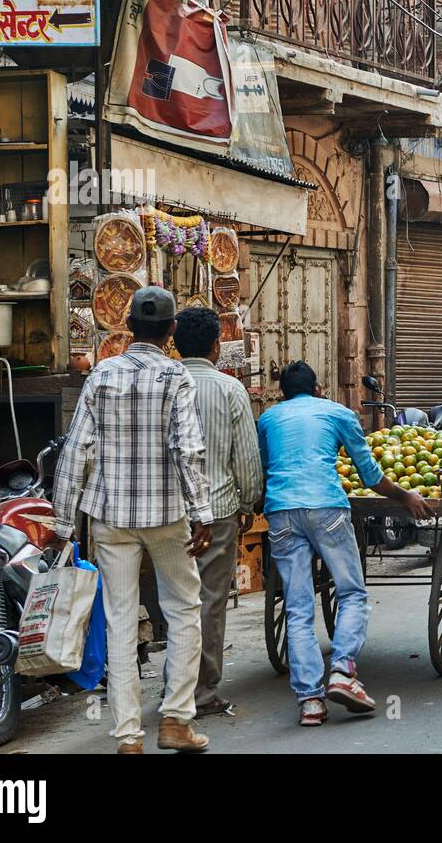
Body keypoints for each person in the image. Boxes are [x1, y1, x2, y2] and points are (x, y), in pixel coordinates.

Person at [53, 286, 212, 754]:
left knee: (120, 619)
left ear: (127, 325)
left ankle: (127, 736)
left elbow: (76, 448)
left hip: (111, 516)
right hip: (166, 516)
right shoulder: (175, 376)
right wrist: (201, 512)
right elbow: (188, 448)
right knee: (183, 610)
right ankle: (176, 721)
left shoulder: (103, 373)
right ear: (171, 331)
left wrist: (63, 522)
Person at [258, 361, 434, 726]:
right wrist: (405, 497)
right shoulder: (337, 413)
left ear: (283, 394)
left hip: (280, 512)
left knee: (297, 606)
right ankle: (342, 670)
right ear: (318, 389)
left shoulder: (269, 420)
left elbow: (265, 469)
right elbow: (369, 475)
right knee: (352, 593)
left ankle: (310, 701)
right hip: (326, 508)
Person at [173, 307, 264, 719]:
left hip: (166, 513)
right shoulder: (229, 389)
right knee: (210, 601)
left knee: (175, 602)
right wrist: (249, 504)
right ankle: (203, 693)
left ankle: (176, 689)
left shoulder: (164, 383)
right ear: (215, 346)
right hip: (217, 511)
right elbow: (245, 458)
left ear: (174, 342)